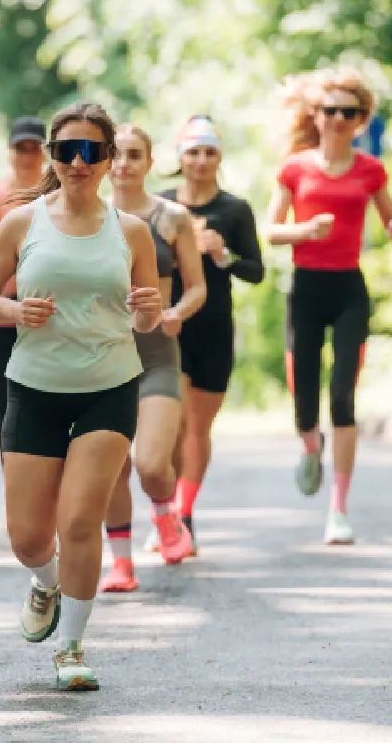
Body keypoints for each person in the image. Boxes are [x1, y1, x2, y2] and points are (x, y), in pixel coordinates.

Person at [0, 102, 165, 691]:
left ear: (109, 160)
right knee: (29, 536)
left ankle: (72, 646)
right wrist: (13, 308)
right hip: (33, 387)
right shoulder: (22, 223)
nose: (78, 162)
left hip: (108, 387)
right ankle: (45, 581)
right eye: (66, 151)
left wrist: (151, 310)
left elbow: (148, 315)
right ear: (52, 158)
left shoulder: (131, 230)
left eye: (91, 152)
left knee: (80, 519)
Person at [266, 66, 392, 545]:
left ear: (362, 119)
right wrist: (305, 231)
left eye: (350, 111)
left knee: (343, 396)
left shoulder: (370, 170)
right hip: (305, 290)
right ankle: (310, 444)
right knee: (304, 400)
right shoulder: (295, 167)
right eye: (331, 110)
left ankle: (339, 509)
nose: (340, 118)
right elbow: (270, 230)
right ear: (317, 114)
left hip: (349, 289)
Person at [145, 116, 264, 556]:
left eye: (209, 152)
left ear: (220, 157)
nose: (200, 160)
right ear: (179, 157)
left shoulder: (234, 210)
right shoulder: (158, 205)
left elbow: (256, 271)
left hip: (212, 324)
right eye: (192, 152)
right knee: (170, 426)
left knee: (197, 427)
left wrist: (222, 254)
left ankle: (184, 511)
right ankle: (167, 516)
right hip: (168, 323)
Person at [98, 123, 207, 593]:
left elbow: (198, 284)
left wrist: (177, 311)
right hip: (102, 357)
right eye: (116, 155)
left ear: (150, 162)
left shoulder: (172, 217)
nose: (123, 164)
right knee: (110, 469)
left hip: (158, 353)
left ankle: (167, 518)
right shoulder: (87, 218)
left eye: (134, 155)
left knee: (149, 463)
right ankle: (120, 563)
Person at [0, 116, 47, 455]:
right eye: (21, 148)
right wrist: (15, 243)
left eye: (34, 147)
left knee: (44, 400)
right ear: (9, 152)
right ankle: (13, 487)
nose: (27, 155)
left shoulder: (57, 196)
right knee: (7, 402)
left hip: (47, 312)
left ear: (45, 153)